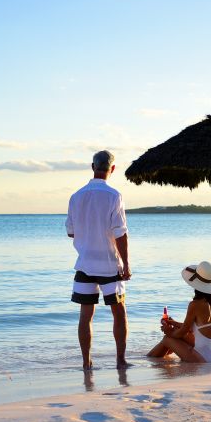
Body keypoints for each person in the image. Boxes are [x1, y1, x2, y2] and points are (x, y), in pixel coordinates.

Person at [66, 150, 131, 370]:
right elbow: (121, 233)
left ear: (92, 166)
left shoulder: (76, 196)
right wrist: (127, 265)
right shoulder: (114, 196)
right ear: (112, 169)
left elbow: (71, 233)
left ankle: (87, 363)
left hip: (85, 263)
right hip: (110, 263)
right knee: (118, 312)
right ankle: (120, 361)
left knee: (86, 316)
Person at [147, 261, 211, 363]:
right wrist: (173, 323)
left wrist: (169, 332)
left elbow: (184, 331)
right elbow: (198, 327)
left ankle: (149, 359)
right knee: (173, 336)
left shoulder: (195, 304)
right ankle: (152, 358)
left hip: (204, 358)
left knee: (167, 339)